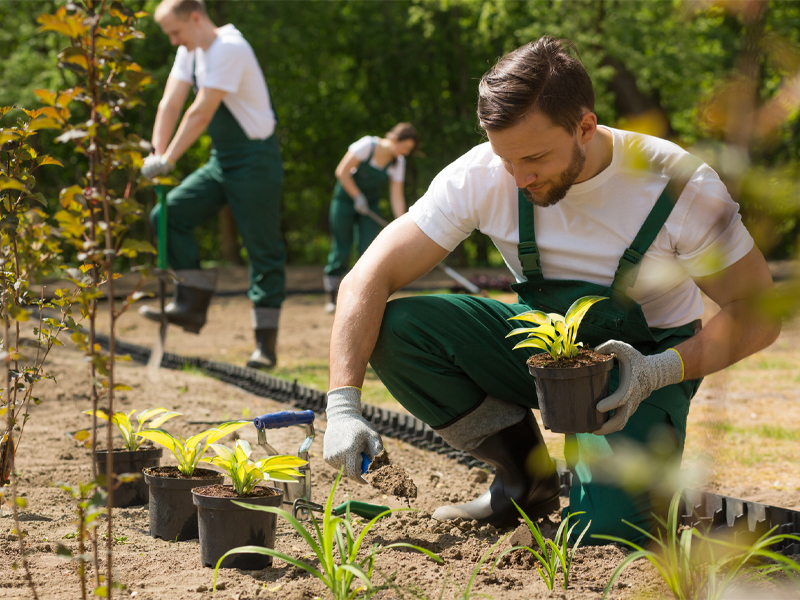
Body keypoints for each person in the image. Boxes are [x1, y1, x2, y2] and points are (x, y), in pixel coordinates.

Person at [321, 37, 781, 543]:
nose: (519, 177)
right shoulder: (481, 174)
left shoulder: (676, 185)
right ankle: (525, 479)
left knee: (606, 535)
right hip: (544, 350)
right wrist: (342, 406)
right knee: (400, 330)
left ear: (585, 126)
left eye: (535, 158)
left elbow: (758, 312)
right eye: (506, 159)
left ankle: (615, 475)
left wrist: (658, 371)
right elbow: (367, 276)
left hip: (643, 367)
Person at [139, 0, 285, 369]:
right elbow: (170, 104)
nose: (173, 41)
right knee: (167, 215)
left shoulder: (230, 48)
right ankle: (190, 305)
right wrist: (157, 153)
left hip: (255, 162)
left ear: (195, 18)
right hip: (222, 161)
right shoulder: (191, 52)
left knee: (263, 251)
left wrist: (169, 159)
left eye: (175, 32)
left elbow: (201, 111)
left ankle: (265, 346)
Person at [322, 124, 417, 313]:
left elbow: (396, 196)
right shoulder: (367, 146)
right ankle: (332, 297)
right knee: (341, 248)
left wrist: (402, 223)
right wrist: (357, 196)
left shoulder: (398, 162)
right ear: (394, 139)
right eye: (405, 147)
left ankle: (358, 298)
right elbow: (342, 171)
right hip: (345, 201)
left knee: (368, 250)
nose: (405, 153)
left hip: (370, 207)